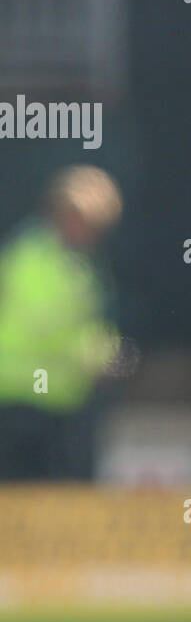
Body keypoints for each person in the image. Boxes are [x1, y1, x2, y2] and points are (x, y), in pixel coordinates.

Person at [0, 166, 122, 480]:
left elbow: (84, 323)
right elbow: (44, 324)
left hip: (60, 402)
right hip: (20, 400)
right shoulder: (32, 257)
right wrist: (96, 354)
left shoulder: (80, 263)